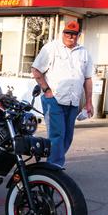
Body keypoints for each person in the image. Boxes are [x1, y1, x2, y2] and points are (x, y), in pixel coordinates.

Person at [31, 20, 94, 168]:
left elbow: (88, 78)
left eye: (74, 34)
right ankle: (54, 169)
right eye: (67, 33)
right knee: (57, 136)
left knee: (67, 138)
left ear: (79, 35)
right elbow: (36, 70)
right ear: (63, 33)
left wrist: (89, 102)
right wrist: (47, 90)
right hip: (54, 100)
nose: (70, 36)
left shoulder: (84, 53)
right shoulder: (51, 48)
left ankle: (52, 163)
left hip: (73, 101)